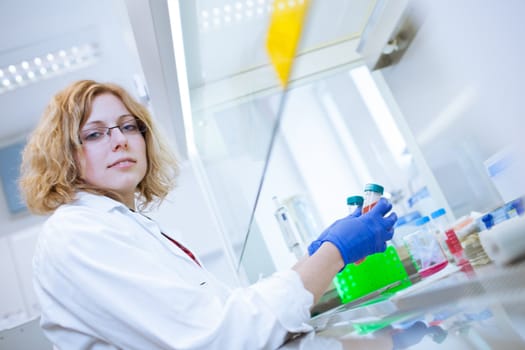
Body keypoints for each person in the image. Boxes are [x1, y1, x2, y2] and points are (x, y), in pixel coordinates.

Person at [19, 80, 397, 350]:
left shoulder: (127, 224)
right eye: (95, 133)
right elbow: (219, 338)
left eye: (128, 126)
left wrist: (319, 259)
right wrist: (333, 252)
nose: (120, 139)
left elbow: (232, 320)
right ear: (64, 153)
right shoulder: (76, 234)